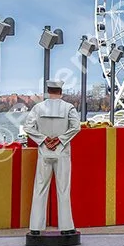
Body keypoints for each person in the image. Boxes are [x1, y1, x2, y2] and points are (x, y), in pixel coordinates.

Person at [23, 80, 82, 234]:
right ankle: (66, 227)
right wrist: (60, 139)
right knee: (63, 189)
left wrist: (43, 139)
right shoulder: (69, 108)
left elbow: (28, 127)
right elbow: (76, 127)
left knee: (40, 188)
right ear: (60, 91)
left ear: (48, 91)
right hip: (61, 152)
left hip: (44, 152)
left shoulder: (38, 108)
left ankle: (35, 227)